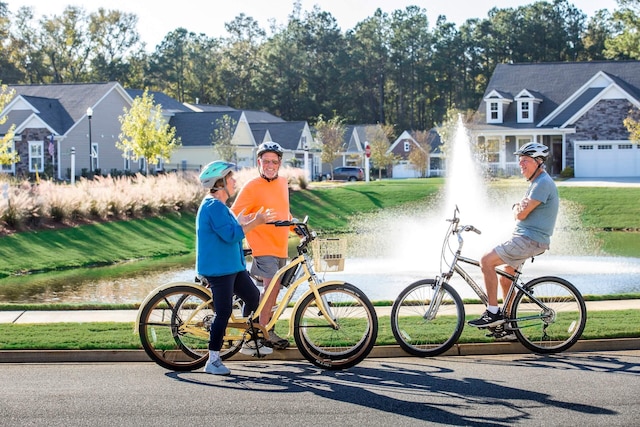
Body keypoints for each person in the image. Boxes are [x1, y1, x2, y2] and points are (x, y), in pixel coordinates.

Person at [467, 142, 559, 339]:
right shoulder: (536, 183)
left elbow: (521, 213)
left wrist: (518, 208)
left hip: (529, 240)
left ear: (538, 162)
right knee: (506, 276)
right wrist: (518, 208)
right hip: (527, 238)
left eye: (525, 161)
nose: (521, 165)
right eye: (520, 162)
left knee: (486, 261)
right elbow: (520, 210)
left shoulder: (542, 183)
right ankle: (508, 325)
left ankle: (492, 313)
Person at [197, 160, 276, 376]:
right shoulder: (213, 206)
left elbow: (231, 228)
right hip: (219, 270)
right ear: (220, 183)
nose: (234, 181)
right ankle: (212, 360)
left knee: (253, 298)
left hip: (233, 267)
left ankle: (246, 340)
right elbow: (231, 234)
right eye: (230, 178)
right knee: (223, 312)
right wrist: (256, 222)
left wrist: (242, 221)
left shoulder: (221, 207)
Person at [231, 141, 292, 350]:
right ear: (259, 162)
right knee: (271, 287)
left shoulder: (283, 182)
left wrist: (296, 227)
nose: (270, 165)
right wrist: (257, 219)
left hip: (281, 247)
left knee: (274, 293)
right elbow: (234, 215)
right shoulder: (252, 186)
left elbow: (284, 212)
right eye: (266, 161)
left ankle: (266, 329)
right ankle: (258, 334)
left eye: (274, 162)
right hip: (263, 247)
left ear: (279, 163)